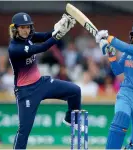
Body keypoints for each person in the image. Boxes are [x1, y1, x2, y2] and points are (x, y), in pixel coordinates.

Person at [8, 12, 81, 149]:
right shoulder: (14, 48)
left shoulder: (29, 37)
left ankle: (70, 119)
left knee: (75, 91)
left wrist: (60, 29)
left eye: (28, 27)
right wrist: (58, 35)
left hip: (41, 83)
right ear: (15, 29)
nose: (26, 30)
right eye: (22, 27)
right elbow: (42, 47)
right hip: (26, 91)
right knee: (24, 130)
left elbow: (47, 35)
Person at [95, 22, 133, 149]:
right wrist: (111, 55)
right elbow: (118, 70)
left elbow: (127, 48)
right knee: (121, 118)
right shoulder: (128, 53)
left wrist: (109, 38)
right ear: (132, 37)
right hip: (126, 93)